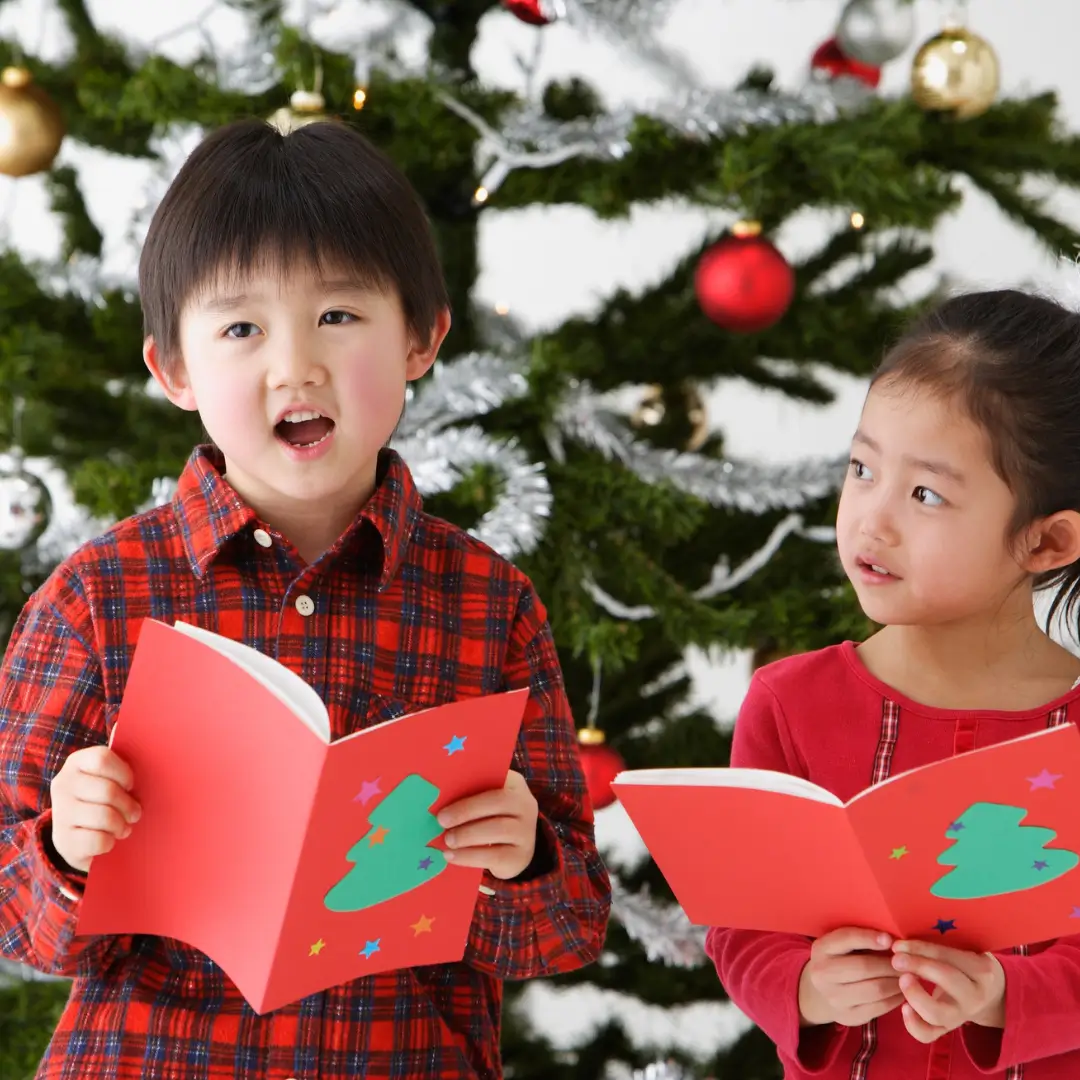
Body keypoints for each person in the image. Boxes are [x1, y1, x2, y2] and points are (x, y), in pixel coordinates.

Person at [0, 118, 610, 1080]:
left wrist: (520, 856)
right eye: (242, 328)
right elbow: (16, 924)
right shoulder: (94, 601)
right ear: (174, 370)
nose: (297, 367)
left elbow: (569, 928)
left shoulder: (490, 605)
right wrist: (66, 850)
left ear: (421, 337)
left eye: (338, 316)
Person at [708, 290, 1080, 1078]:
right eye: (862, 468)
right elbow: (744, 929)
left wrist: (1003, 994)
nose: (870, 521)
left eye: (925, 495)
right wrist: (807, 986)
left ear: (1048, 541)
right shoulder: (789, 704)